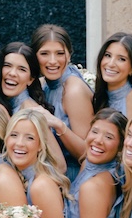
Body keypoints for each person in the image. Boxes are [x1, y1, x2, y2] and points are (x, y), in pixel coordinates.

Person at [31, 24, 94, 181]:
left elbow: (87, 153)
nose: (53, 61)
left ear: (69, 55)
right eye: (44, 53)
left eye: (60, 53)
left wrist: (59, 126)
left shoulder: (73, 91)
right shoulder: (43, 84)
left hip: (73, 176)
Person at [1, 41, 67, 172]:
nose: (12, 73)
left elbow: (60, 166)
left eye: (22, 69)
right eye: (7, 66)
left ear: (31, 79)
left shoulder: (31, 110)